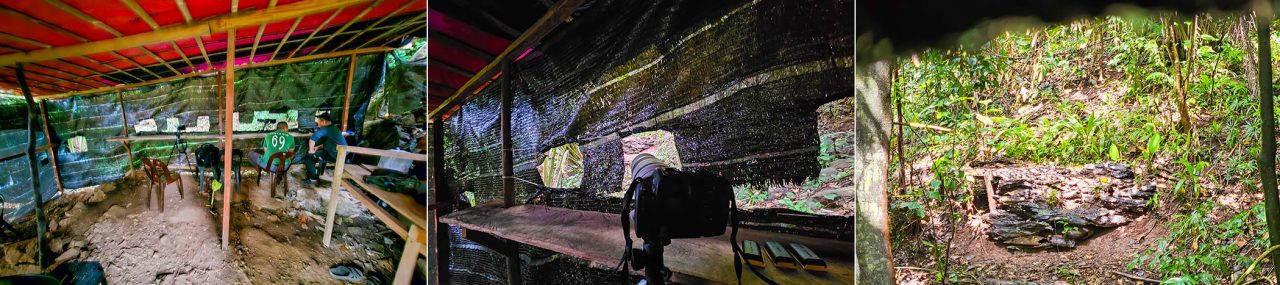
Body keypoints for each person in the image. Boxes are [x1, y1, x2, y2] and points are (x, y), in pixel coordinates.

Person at [302, 113, 348, 186]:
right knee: (314, 155)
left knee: (309, 157)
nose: (317, 123)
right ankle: (314, 175)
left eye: (319, 121)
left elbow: (312, 139)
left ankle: (313, 179)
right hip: (339, 153)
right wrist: (317, 147)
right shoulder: (333, 128)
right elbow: (330, 143)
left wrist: (311, 151)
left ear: (323, 121)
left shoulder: (326, 129)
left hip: (336, 156)